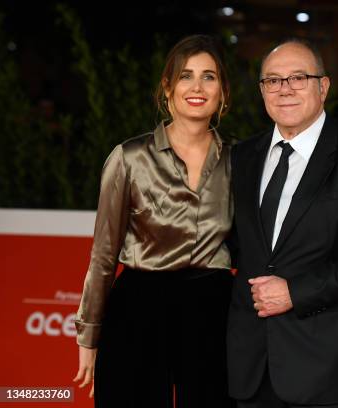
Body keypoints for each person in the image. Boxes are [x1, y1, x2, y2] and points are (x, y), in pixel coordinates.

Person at [227, 38, 338, 408]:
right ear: (261, 91)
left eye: (298, 78)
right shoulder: (242, 156)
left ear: (323, 87)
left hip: (328, 369)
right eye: (272, 80)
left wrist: (296, 292)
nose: (284, 89)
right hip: (252, 367)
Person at [73, 34, 235, 407]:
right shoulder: (129, 158)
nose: (197, 87)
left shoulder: (240, 160)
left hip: (213, 312)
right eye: (185, 76)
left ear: (223, 91)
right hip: (139, 309)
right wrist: (89, 336)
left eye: (209, 77)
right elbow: (103, 255)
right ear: (167, 88)